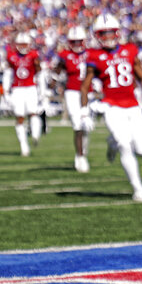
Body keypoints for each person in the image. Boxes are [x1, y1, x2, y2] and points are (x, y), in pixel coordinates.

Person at [80, 13, 142, 201]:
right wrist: (83, 112)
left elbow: (141, 75)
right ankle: (138, 188)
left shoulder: (129, 50)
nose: (107, 36)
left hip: (133, 106)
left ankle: (112, 142)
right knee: (125, 145)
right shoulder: (94, 56)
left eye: (110, 32)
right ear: (97, 35)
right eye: (103, 33)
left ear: (117, 32)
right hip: (111, 107)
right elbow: (85, 85)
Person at [56, 25, 93, 173]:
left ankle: (82, 152)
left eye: (79, 41)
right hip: (71, 92)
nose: (77, 44)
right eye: (74, 41)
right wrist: (57, 68)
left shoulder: (91, 54)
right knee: (77, 125)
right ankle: (80, 156)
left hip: (87, 92)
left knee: (86, 127)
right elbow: (57, 70)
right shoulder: (65, 55)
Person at [5, 32, 42, 157]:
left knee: (33, 113)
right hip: (17, 89)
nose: (22, 47)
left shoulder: (33, 55)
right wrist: (6, 91)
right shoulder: (11, 56)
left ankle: (35, 134)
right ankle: (24, 146)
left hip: (31, 87)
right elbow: (8, 72)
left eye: (24, 44)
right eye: (20, 44)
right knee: (20, 117)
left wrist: (42, 89)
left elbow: (39, 72)